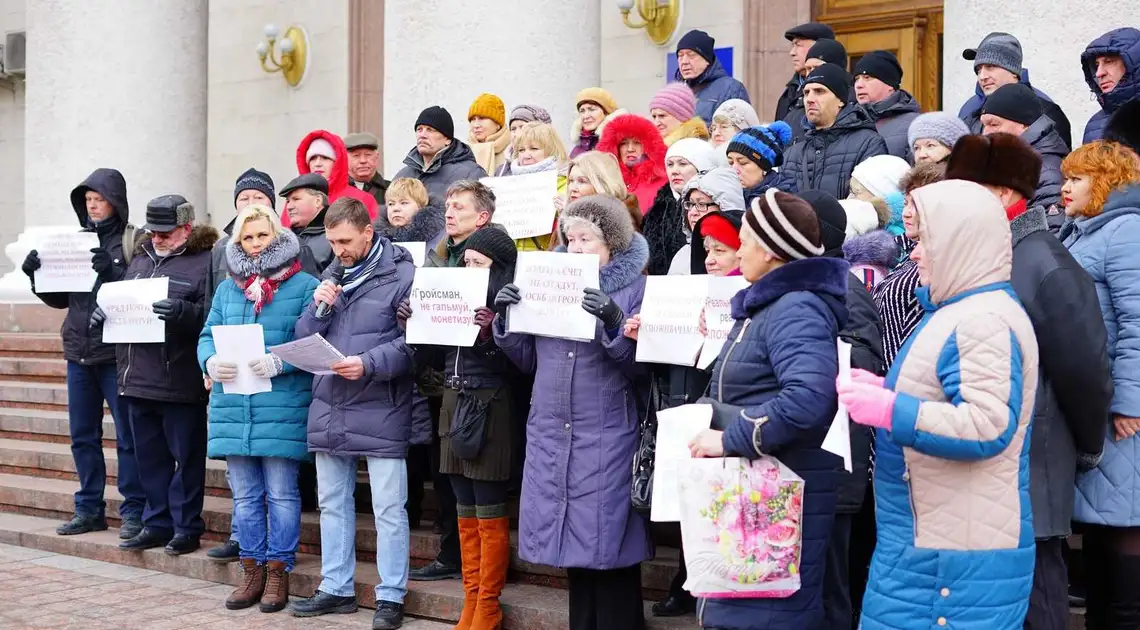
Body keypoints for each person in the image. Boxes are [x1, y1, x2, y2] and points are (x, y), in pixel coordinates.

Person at [845, 179, 1039, 630]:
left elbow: (987, 425)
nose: (913, 255)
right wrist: (884, 391)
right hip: (933, 541)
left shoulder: (982, 321)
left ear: (960, 243)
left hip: (951, 559)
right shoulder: (957, 310)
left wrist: (891, 410)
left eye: (925, 243)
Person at [947, 132, 1114, 630]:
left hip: (1034, 462)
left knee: (1038, 595)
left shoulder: (1046, 264)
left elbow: (1085, 369)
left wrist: (1085, 446)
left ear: (1002, 194)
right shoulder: (990, 254)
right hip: (993, 460)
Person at [687, 189, 848, 629]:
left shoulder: (797, 308)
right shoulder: (767, 304)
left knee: (767, 619)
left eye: (744, 240)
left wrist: (729, 438)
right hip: (749, 499)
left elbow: (809, 398)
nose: (738, 250)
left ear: (773, 251)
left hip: (774, 499)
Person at [494, 194, 652, 630]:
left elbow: (642, 368)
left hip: (607, 429)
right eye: (571, 238)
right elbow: (525, 360)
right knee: (573, 543)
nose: (577, 247)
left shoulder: (636, 286)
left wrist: (614, 321)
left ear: (613, 244)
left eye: (588, 239)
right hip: (551, 426)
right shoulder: (550, 281)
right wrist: (506, 318)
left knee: (610, 540)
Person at [287, 198, 415, 630]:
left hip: (380, 403)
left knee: (388, 508)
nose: (338, 249)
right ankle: (336, 587)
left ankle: (391, 595)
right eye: (331, 241)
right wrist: (319, 307)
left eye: (344, 241)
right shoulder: (333, 274)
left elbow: (415, 343)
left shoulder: (403, 274)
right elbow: (303, 336)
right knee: (332, 504)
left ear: (367, 231)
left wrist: (369, 363)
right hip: (331, 404)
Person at [198, 204, 319, 613]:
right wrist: (210, 362)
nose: (254, 244)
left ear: (277, 236)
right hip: (235, 406)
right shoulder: (228, 288)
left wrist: (282, 362)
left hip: (281, 407)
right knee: (246, 497)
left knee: (282, 494)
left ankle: (277, 572)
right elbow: (205, 336)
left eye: (261, 236)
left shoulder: (303, 285)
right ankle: (250, 571)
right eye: (246, 238)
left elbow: (315, 342)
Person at [398, 226, 518, 630]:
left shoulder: (510, 304)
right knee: (462, 506)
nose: (470, 269)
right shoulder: (456, 296)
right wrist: (413, 325)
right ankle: (471, 600)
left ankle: (488, 604)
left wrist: (489, 333)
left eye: (479, 264)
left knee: (488, 508)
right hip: (453, 401)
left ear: (498, 268)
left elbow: (520, 370)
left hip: (490, 405)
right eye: (466, 262)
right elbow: (428, 358)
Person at [89, 195, 218, 555]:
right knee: (149, 459)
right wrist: (104, 315)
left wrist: (183, 313)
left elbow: (210, 315)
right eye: (153, 232)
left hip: (179, 379)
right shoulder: (141, 258)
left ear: (187, 229)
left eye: (166, 232)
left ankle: (186, 527)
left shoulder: (204, 261)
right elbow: (120, 303)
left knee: (186, 459)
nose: (158, 239)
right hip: (136, 377)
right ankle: (156, 522)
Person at [20, 168, 145, 539]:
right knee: (82, 436)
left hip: (115, 354)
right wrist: (35, 277)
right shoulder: (74, 241)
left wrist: (110, 274)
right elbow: (62, 299)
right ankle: (89, 509)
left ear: (115, 202)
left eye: (99, 200)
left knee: (127, 437)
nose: (92, 206)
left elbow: (137, 294)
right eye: (87, 201)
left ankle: (134, 510)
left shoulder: (132, 242)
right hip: (78, 352)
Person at [1059, 140, 1140, 628]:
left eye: (1079, 178)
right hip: (1097, 404)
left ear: (1108, 182)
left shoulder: (1126, 232)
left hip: (1122, 414)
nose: (1066, 186)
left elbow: (1138, 322)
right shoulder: (1084, 232)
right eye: (1066, 176)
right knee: (1101, 533)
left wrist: (1130, 401)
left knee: (1125, 527)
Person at [411, 181, 506, 584]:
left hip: (484, 392)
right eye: (447, 206)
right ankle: (466, 577)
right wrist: (413, 318)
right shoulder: (441, 259)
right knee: (452, 487)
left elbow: (512, 355)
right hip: (447, 382)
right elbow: (432, 341)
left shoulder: (498, 262)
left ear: (482, 217)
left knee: (480, 494)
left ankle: (485, 595)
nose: (448, 213)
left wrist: (487, 334)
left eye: (459, 207)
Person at [203, 167, 276, 562]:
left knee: (278, 486)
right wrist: (209, 362)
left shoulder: (293, 266)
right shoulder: (221, 252)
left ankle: (276, 558)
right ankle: (241, 539)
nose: (250, 204)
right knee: (242, 480)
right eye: (243, 198)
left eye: (258, 198)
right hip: (232, 378)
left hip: (273, 384)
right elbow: (212, 314)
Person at [872, 161, 946, 366]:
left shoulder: (935, 265)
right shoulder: (900, 252)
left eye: (916, 205)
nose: (906, 213)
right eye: (905, 203)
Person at [781, 64, 889, 199]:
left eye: (819, 91)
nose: (810, 99)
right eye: (806, 92)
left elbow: (869, 207)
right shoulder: (792, 153)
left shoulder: (868, 144)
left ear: (841, 100)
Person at [957, 32, 1073, 150]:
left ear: (1013, 71)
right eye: (978, 70)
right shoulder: (970, 109)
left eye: (990, 67)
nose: (982, 76)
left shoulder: (1046, 111)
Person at [979, 83, 1069, 216]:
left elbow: (1050, 232)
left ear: (1024, 125)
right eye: (984, 125)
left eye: (994, 124)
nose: (985, 133)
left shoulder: (1046, 172)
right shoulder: (1011, 160)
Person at [645, 138, 719, 276]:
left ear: (703, 165)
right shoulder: (656, 211)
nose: (674, 171)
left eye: (683, 164)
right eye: (670, 164)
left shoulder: (720, 205)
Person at [394, 106, 487, 206]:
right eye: (419, 129)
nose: (422, 135)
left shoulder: (471, 173)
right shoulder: (402, 175)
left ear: (447, 139)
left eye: (430, 130)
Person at [502, 121, 569, 251]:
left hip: (543, 262)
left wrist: (564, 212)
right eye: (521, 150)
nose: (526, 155)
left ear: (551, 150)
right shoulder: (509, 186)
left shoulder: (564, 185)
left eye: (534, 149)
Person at [666, 167, 745, 275]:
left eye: (702, 204)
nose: (693, 212)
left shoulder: (747, 250)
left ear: (725, 207)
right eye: (691, 204)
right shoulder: (682, 255)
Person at [289, 130, 379, 223]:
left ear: (337, 162)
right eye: (313, 158)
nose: (317, 164)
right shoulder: (295, 199)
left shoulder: (363, 199)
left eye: (325, 158)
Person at [673, 29, 750, 126]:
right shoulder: (676, 92)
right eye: (680, 56)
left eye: (691, 55)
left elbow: (740, 132)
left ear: (707, 59)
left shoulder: (731, 89)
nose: (684, 61)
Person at [853, 50, 921, 160]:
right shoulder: (846, 121)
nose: (859, 85)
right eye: (856, 79)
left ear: (889, 84)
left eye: (867, 78)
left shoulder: (915, 125)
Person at [597, 113, 669, 214]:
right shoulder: (607, 182)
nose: (630, 149)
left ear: (647, 146)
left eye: (637, 142)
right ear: (615, 148)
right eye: (623, 143)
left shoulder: (663, 181)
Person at [562, 150, 644, 234]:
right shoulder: (568, 218)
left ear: (603, 185)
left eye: (582, 181)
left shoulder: (620, 225)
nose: (573, 188)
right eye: (571, 181)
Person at [1081, 28, 1140, 143]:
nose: (1099, 73)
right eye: (1097, 65)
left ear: (1134, 65)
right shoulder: (1094, 124)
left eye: (1109, 62)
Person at [784, 38, 849, 142]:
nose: (812, 74)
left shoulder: (858, 109)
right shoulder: (794, 116)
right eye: (808, 69)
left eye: (818, 67)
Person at [775, 22, 835, 122]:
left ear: (818, 47)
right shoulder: (790, 92)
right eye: (792, 46)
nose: (792, 53)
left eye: (798, 45)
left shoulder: (843, 90)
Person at [278, 173, 334, 278]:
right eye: (288, 201)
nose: (289, 207)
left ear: (318, 201)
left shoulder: (335, 236)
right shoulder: (284, 238)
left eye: (296, 199)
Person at [725, 122, 797, 203]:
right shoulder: (727, 194)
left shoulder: (782, 201)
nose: (734, 170)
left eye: (743, 163)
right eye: (731, 162)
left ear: (764, 167)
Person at [374, 177, 445, 252]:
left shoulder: (441, 238)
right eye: (391, 204)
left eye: (404, 203)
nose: (395, 209)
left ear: (421, 206)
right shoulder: (376, 240)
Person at [569, 88, 625, 159]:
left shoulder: (621, 144)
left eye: (592, 109)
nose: (586, 116)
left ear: (606, 112)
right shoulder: (579, 146)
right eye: (582, 111)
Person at [467, 93, 511, 175]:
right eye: (473, 119)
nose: (476, 125)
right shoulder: (463, 152)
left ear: (497, 124)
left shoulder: (513, 150)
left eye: (482, 118)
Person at [344, 132, 390, 206]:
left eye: (368, 155)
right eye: (356, 155)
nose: (363, 160)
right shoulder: (334, 191)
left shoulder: (392, 191)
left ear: (377, 157)